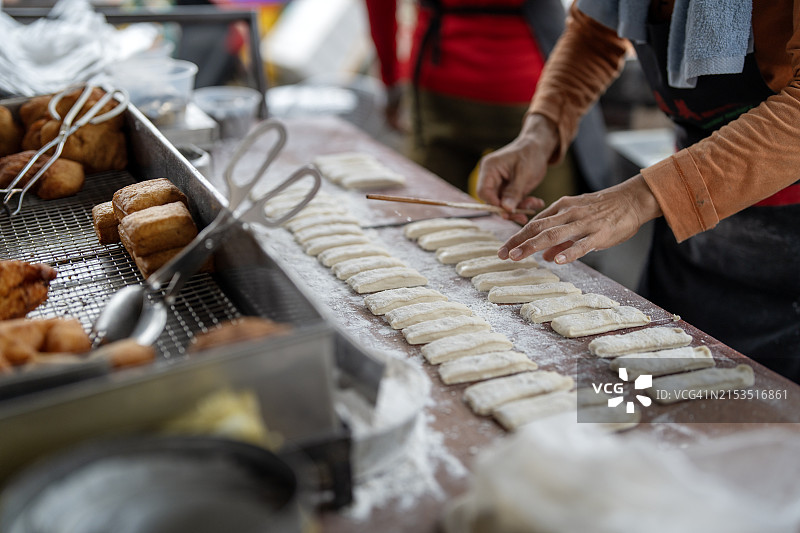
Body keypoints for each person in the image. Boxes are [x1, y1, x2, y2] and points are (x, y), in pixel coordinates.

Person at [478, 0, 800, 382]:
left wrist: (641, 196)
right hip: (694, 231)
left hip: (788, 257)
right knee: (654, 388)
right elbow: (595, 31)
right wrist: (541, 129)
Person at [363, 0, 612, 202]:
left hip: (440, 78)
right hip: (528, 86)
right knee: (543, 234)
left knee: (427, 215)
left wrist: (390, 81)